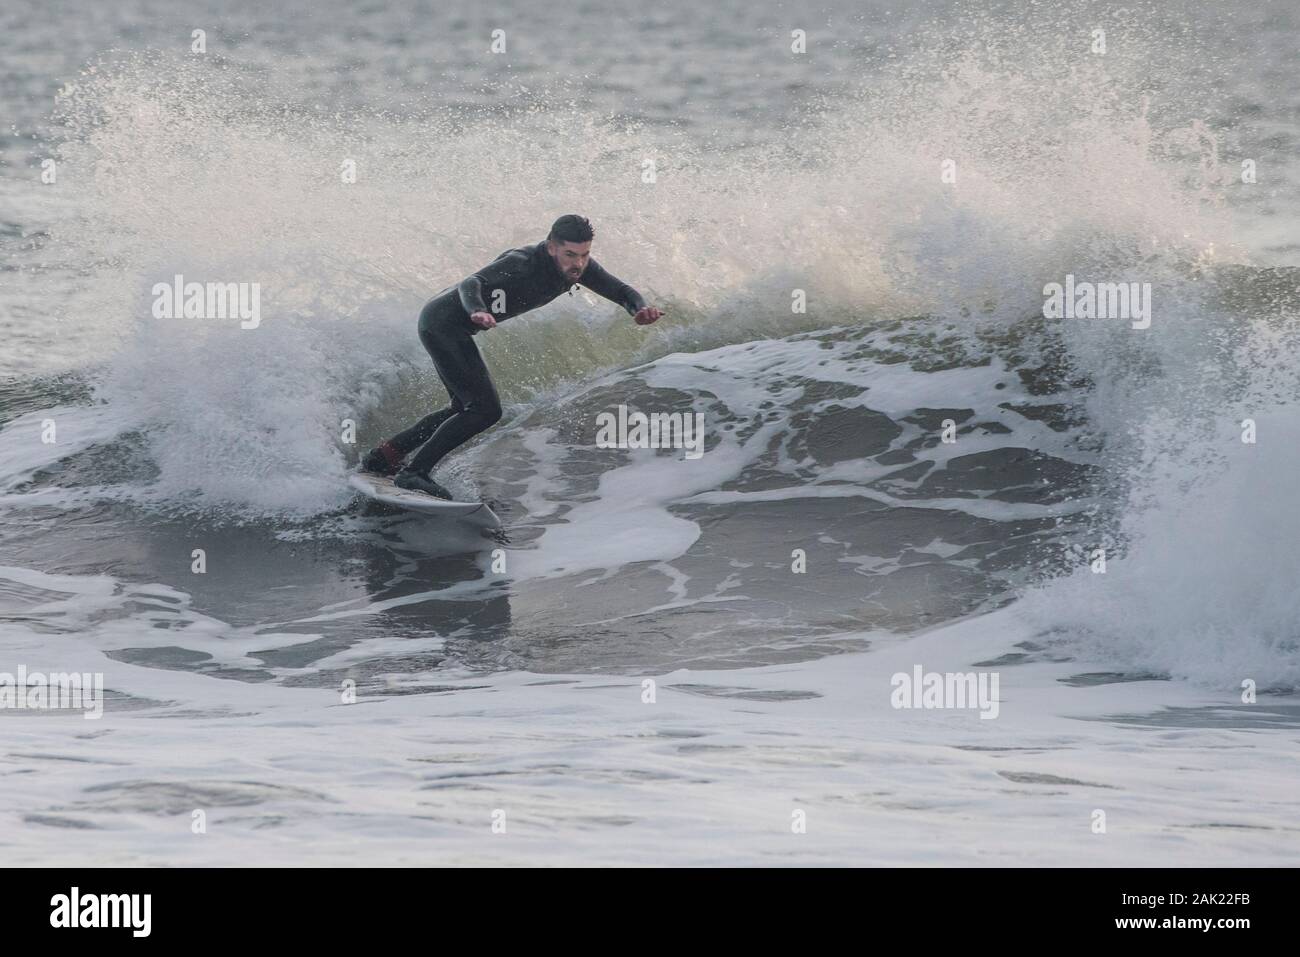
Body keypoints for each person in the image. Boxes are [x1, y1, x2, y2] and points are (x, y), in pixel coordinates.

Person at [362, 215, 664, 499]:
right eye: (571, 254)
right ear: (551, 247)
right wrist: (477, 309)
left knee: (463, 407)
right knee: (485, 410)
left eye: (584, 254)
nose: (579, 263)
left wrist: (638, 308)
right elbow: (471, 283)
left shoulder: (577, 268)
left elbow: (620, 289)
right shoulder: (522, 263)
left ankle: (385, 456)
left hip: (452, 328)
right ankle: (415, 472)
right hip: (443, 324)